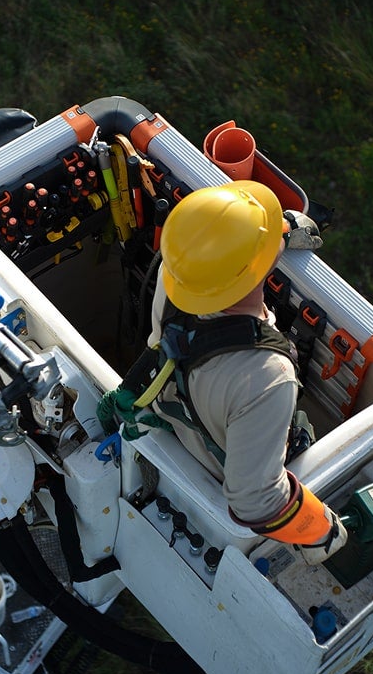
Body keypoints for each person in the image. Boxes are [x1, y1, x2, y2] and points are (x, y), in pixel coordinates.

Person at [147, 180, 348, 565]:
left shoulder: (182, 276)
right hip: (227, 468)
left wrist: (282, 231)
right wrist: (319, 529)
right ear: (255, 269)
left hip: (183, 417)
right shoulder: (268, 378)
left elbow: (227, 257)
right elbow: (255, 501)